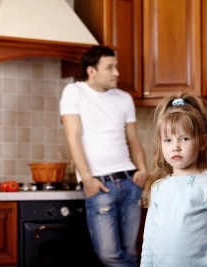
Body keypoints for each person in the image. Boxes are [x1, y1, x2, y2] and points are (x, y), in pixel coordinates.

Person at [59, 45, 149, 267]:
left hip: (130, 182)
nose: (116, 73)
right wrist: (87, 178)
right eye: (110, 68)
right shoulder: (74, 92)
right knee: (108, 255)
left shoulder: (124, 98)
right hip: (100, 185)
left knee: (131, 252)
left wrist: (143, 169)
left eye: (116, 67)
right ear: (92, 71)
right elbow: (73, 137)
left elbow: (133, 139)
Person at [141, 90, 207, 267]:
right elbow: (149, 239)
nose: (175, 147)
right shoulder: (158, 187)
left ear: (203, 142)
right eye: (167, 140)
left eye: (184, 138)